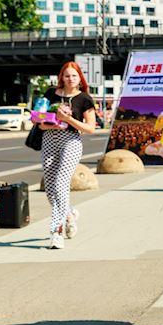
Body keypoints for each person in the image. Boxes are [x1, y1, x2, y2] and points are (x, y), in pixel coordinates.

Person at [38, 62, 98, 249]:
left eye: (74, 75)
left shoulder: (85, 99)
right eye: (67, 75)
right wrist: (52, 123)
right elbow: (38, 121)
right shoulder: (50, 94)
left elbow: (90, 128)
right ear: (61, 77)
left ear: (80, 78)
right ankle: (70, 214)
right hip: (49, 138)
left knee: (60, 183)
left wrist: (68, 120)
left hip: (71, 141)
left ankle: (56, 232)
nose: (70, 79)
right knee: (50, 189)